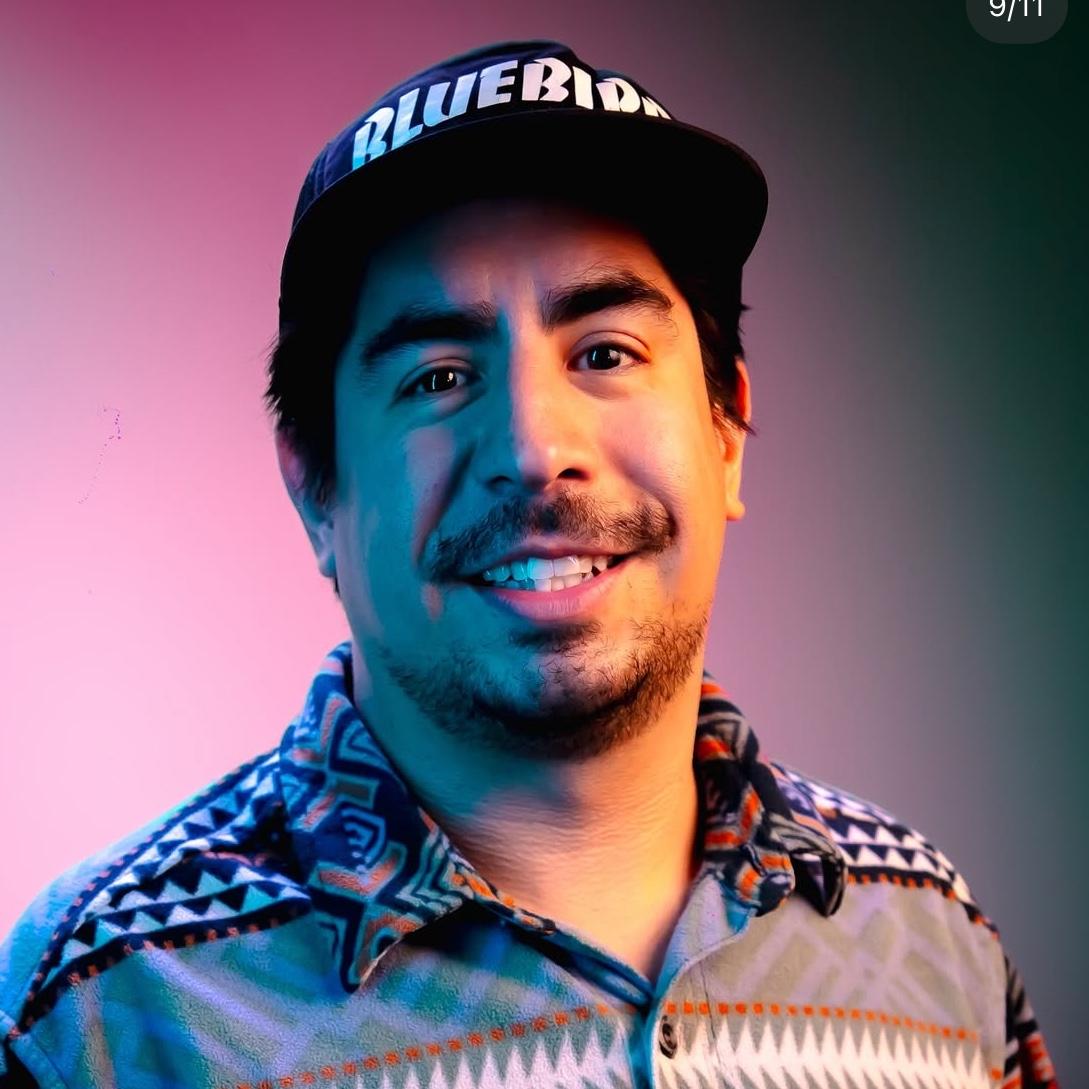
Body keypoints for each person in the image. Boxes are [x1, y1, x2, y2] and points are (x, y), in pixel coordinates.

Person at [0, 39, 1059, 1089]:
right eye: (438, 376)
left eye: (605, 353)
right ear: (317, 487)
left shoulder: (932, 938)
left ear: (727, 433)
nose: (534, 447)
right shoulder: (97, 1014)